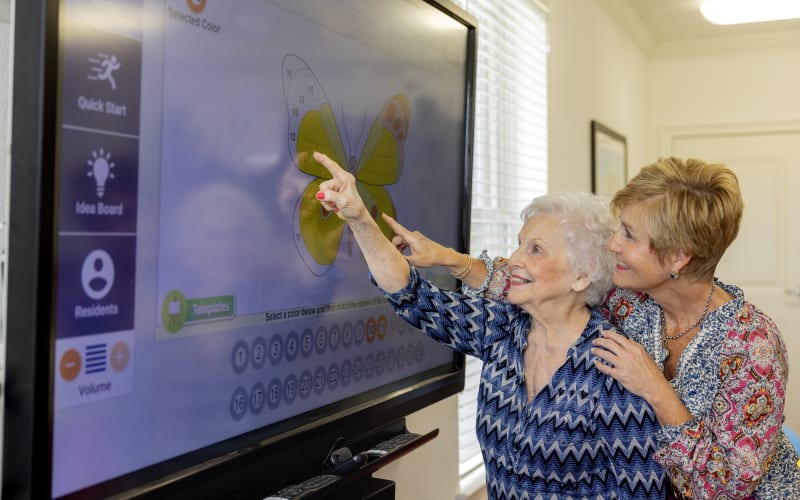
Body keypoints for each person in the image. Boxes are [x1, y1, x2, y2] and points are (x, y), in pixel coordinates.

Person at [390, 156, 800, 499]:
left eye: (629, 235)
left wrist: (655, 387)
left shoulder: (752, 346)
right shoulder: (633, 300)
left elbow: (725, 487)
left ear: (678, 257)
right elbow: (538, 283)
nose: (612, 245)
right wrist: (448, 258)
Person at [311, 151, 665, 499]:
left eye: (536, 250)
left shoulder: (616, 365)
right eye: (519, 245)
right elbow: (409, 294)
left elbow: (643, 492)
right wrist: (358, 217)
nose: (513, 260)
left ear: (582, 276)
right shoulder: (502, 328)